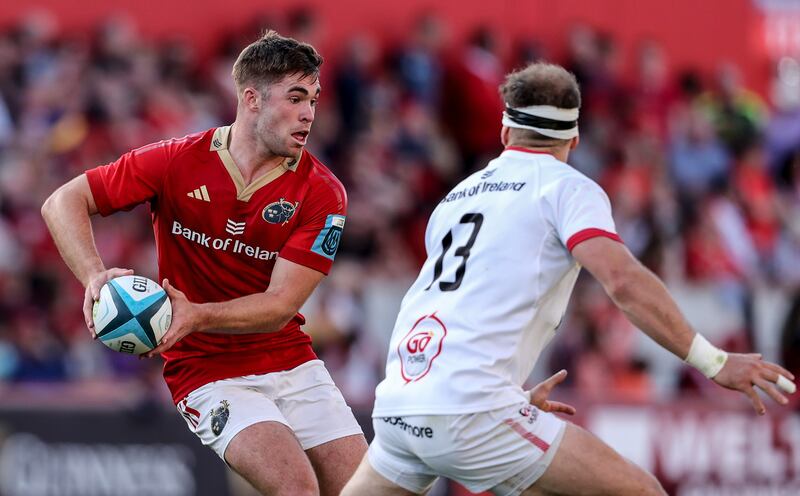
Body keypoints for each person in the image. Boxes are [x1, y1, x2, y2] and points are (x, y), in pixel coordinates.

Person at [341, 62, 796, 496]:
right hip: (471, 409)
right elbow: (622, 280)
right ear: (574, 139)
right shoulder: (566, 186)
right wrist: (714, 362)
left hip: (402, 404)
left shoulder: (455, 198)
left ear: (505, 131)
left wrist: (505, 390)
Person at [41, 31, 366, 496]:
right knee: (297, 490)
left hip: (292, 362)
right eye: (295, 98)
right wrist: (94, 274)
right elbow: (62, 201)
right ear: (252, 99)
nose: (309, 114)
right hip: (206, 371)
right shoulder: (177, 161)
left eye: (313, 99)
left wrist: (196, 314)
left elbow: (279, 305)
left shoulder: (322, 192)